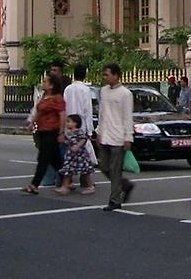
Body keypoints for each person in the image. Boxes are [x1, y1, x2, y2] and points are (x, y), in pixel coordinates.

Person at [96, 63, 135, 211]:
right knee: (104, 166)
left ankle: (114, 199)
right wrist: (99, 131)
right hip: (105, 134)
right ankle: (125, 185)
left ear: (116, 75)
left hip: (119, 136)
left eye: (107, 74)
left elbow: (127, 117)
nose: (105, 77)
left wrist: (128, 137)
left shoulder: (125, 94)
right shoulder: (104, 91)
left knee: (115, 169)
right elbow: (102, 113)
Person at [23, 74, 65, 193]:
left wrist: (61, 132)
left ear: (51, 85)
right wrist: (32, 123)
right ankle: (67, 178)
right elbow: (39, 111)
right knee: (55, 159)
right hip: (41, 130)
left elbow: (62, 115)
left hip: (52, 130)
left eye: (45, 82)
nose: (43, 84)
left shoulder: (57, 98)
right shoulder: (44, 97)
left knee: (43, 158)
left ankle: (34, 185)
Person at [63, 63, 96, 190]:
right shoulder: (85, 89)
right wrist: (89, 129)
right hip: (81, 125)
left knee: (71, 154)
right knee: (83, 155)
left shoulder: (68, 89)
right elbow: (88, 109)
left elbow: (65, 107)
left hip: (69, 125)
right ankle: (86, 181)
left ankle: (69, 181)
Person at [55, 115, 98, 195]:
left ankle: (90, 186)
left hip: (80, 156)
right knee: (67, 170)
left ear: (75, 123)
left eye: (69, 122)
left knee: (85, 172)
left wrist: (77, 146)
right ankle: (65, 186)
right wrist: (65, 141)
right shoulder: (69, 133)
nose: (67, 124)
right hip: (71, 156)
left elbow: (83, 139)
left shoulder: (79, 131)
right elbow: (71, 142)